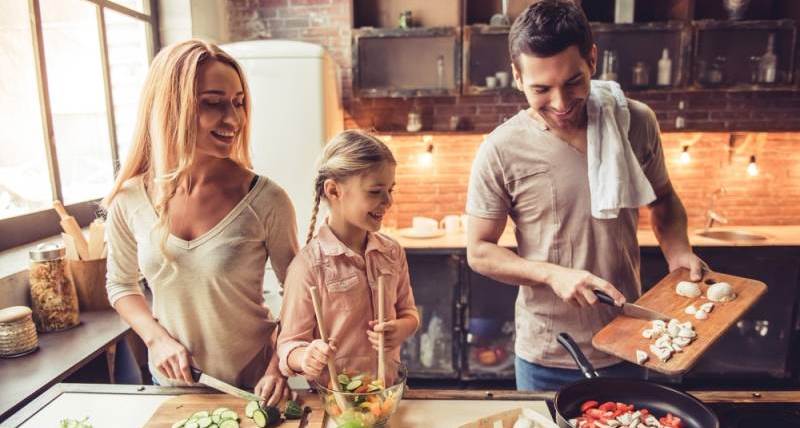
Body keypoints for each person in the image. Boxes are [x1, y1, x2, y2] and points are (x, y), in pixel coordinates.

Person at [465, 0, 707, 391]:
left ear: (592, 59)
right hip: (547, 351)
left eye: (573, 82)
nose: (560, 104)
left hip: (630, 338)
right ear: (516, 76)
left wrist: (678, 252)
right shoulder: (500, 149)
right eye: (541, 89)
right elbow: (478, 250)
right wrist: (551, 274)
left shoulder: (635, 121)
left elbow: (662, 199)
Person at [103, 39, 298, 405]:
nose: (234, 119)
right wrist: (156, 339)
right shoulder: (129, 199)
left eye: (239, 103)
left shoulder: (267, 199)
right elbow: (120, 284)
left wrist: (277, 368)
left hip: (254, 386)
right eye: (213, 103)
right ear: (170, 108)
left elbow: (300, 296)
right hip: (173, 385)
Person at [277, 130, 419, 383]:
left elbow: (409, 313)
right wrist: (306, 356)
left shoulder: (392, 252)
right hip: (336, 402)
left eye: (390, 190)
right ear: (334, 191)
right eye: (375, 191)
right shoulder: (307, 266)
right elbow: (288, 346)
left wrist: (401, 329)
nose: (388, 201)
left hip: (386, 392)